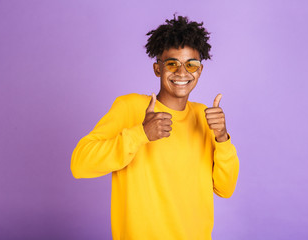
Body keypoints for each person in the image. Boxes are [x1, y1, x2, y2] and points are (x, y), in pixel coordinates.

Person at [71, 15, 239, 240]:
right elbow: (80, 164)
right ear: (157, 68)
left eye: (191, 64)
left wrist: (222, 138)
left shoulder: (204, 116)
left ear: (200, 70)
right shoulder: (130, 107)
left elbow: (225, 189)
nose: (182, 72)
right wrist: (140, 134)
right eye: (172, 63)